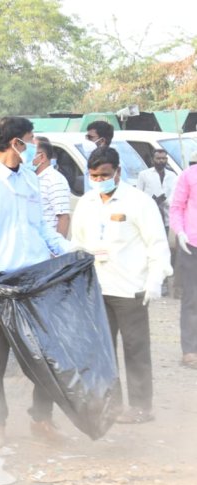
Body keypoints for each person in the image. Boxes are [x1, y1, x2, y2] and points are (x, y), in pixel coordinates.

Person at [0, 116, 73, 445]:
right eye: (31, 138)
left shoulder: (30, 179)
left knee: (45, 354)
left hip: (35, 279)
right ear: (15, 143)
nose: (34, 144)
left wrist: (68, 250)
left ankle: (41, 417)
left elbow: (41, 227)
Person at [71, 147, 172, 424]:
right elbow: (77, 244)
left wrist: (155, 280)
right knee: (103, 350)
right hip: (97, 288)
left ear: (117, 172)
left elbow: (157, 244)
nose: (99, 179)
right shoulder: (87, 203)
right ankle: (111, 405)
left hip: (131, 288)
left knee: (135, 348)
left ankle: (141, 406)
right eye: (94, 175)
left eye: (104, 174)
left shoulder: (138, 202)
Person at [170, 160, 197, 368]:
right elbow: (176, 207)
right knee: (191, 298)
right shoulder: (189, 175)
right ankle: (189, 350)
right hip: (192, 245)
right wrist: (179, 232)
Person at [33, 139, 71, 236]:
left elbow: (63, 218)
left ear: (42, 157)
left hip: (48, 246)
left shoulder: (55, 180)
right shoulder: (31, 178)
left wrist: (57, 250)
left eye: (29, 153)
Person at [137, 149, 177, 229]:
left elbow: (175, 195)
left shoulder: (172, 176)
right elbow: (138, 196)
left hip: (168, 218)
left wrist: (165, 201)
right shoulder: (144, 175)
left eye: (163, 158)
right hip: (150, 217)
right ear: (153, 160)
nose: (161, 161)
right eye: (158, 158)